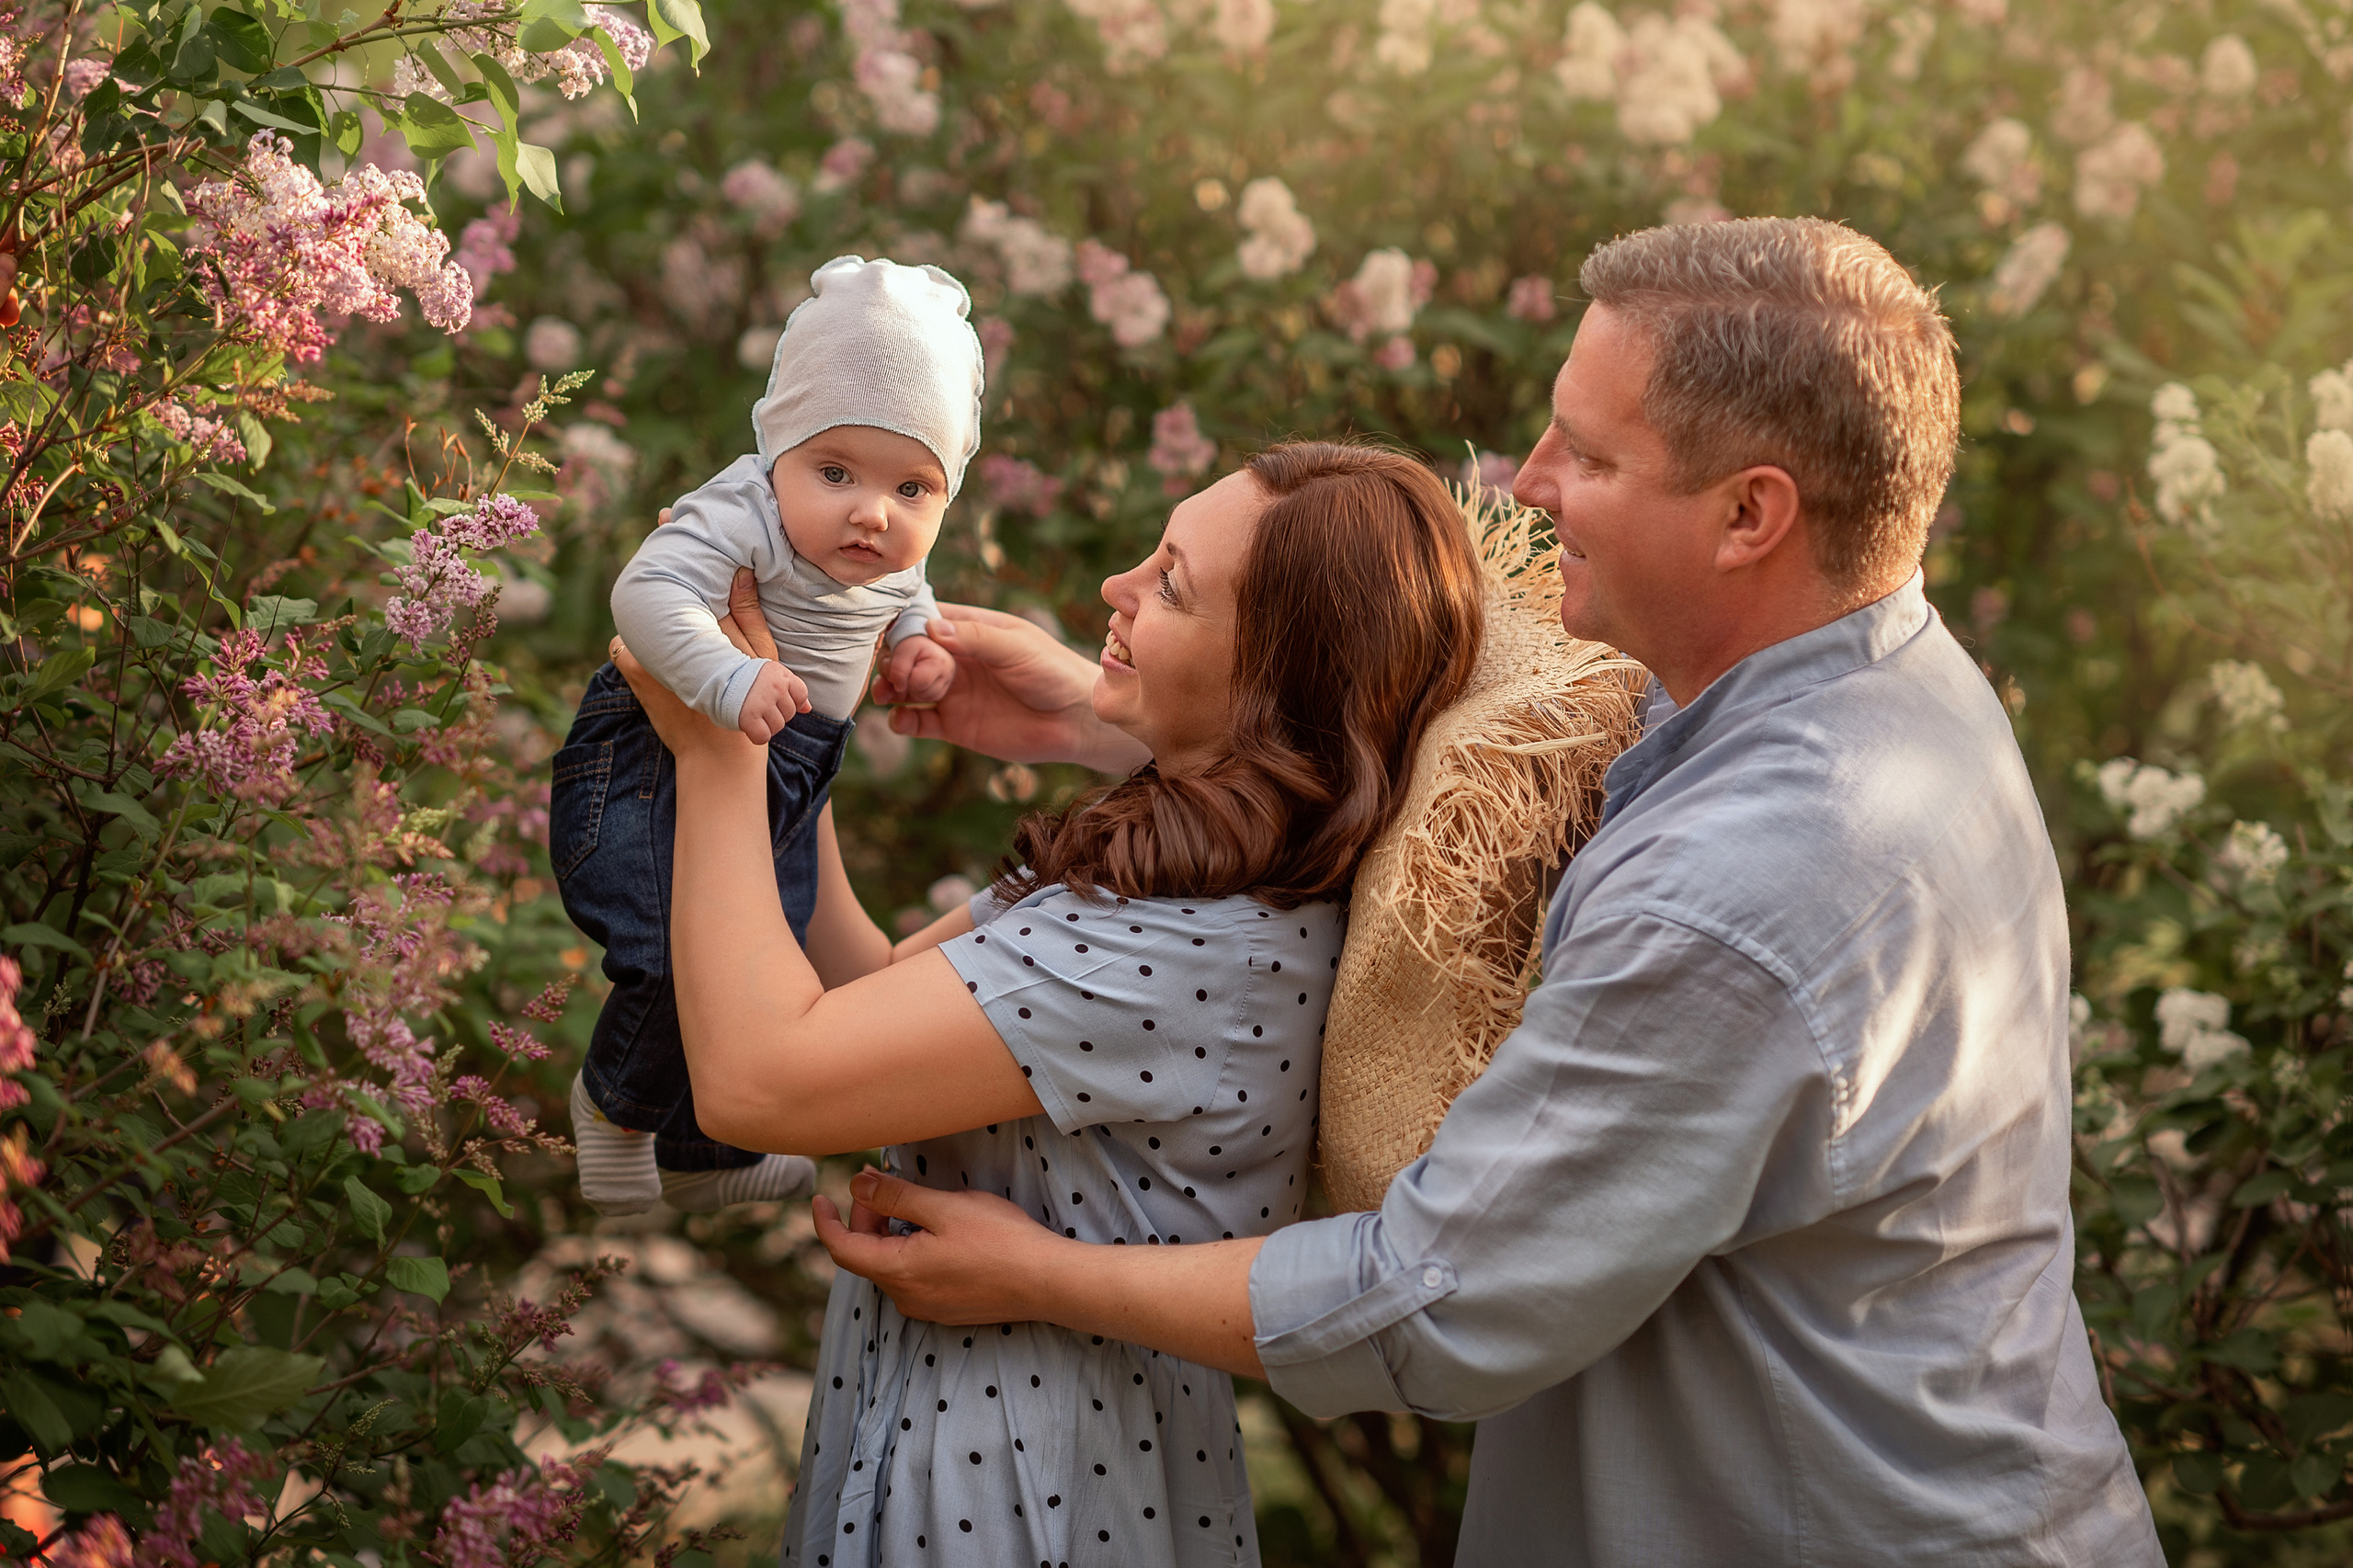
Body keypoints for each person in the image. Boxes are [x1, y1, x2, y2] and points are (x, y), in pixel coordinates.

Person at [814, 219, 2166, 1564]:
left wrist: (1036, 1273)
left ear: (1751, 514)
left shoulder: (1747, 886)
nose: (1528, 483)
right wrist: (1105, 712)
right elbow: (1471, 803)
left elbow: (1429, 1302)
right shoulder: (1873, 684)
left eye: (1589, 453)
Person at [610, 443, 1486, 1564]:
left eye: (1170, 583)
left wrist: (718, 749)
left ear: (1274, 678)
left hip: (1028, 1493)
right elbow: (865, 999)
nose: (1116, 589)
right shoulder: (1183, 874)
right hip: (972, 1445)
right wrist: (797, 726)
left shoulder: (1172, 944)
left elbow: (756, 1080)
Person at [551, 256, 979, 1215]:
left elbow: (908, 596)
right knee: (673, 951)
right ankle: (612, 1107)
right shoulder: (742, 509)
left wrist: (915, 648)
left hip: (787, 769)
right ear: (778, 449)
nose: (872, 511)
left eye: (914, 488)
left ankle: (707, 1153)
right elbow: (645, 594)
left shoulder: (885, 555)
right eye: (836, 472)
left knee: (756, 959)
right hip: (652, 758)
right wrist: (725, 674)